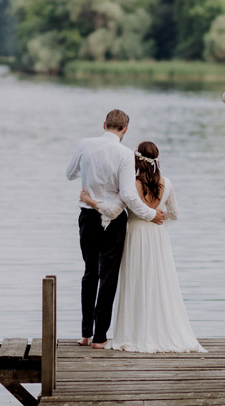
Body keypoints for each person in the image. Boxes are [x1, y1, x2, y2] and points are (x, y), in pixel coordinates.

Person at [80, 141, 205, 353]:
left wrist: (90, 201)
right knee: (157, 283)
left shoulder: (132, 186)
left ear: (136, 159)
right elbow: (174, 215)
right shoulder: (167, 184)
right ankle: (157, 331)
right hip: (157, 238)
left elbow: (112, 211)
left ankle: (134, 333)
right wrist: (158, 214)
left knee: (135, 284)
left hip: (135, 236)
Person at [66, 109, 163, 349]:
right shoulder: (125, 155)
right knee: (108, 277)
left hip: (88, 216)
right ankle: (100, 338)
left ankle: (85, 334)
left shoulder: (85, 145)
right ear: (125, 129)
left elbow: (70, 174)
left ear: (104, 124)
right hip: (114, 222)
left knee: (90, 272)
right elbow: (129, 195)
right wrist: (151, 214)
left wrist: (89, 172)